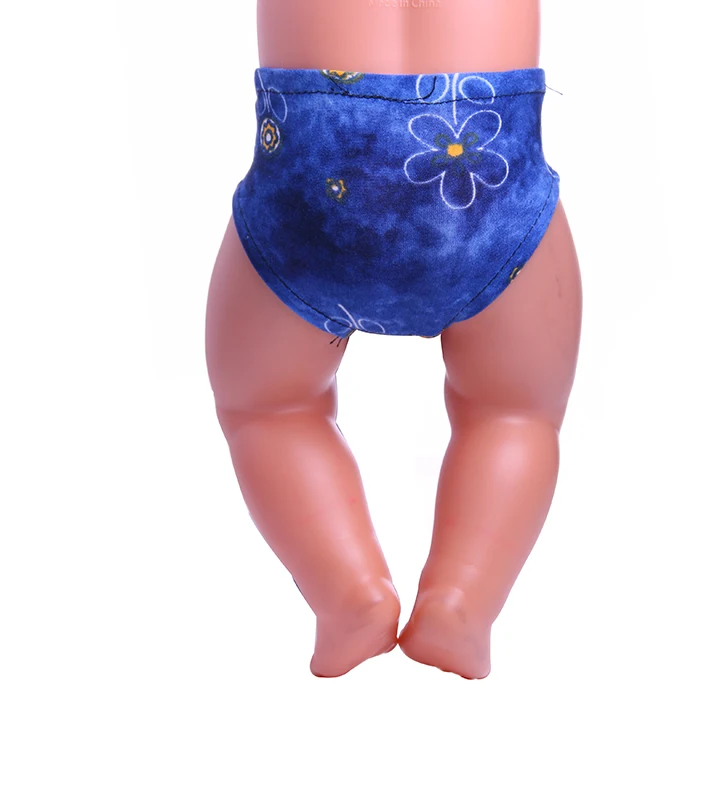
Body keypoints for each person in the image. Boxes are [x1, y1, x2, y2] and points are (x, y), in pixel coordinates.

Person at [205, 0, 582, 679]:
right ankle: (461, 601)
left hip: (315, 170)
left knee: (267, 408)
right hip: (484, 169)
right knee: (514, 414)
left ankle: (347, 592)